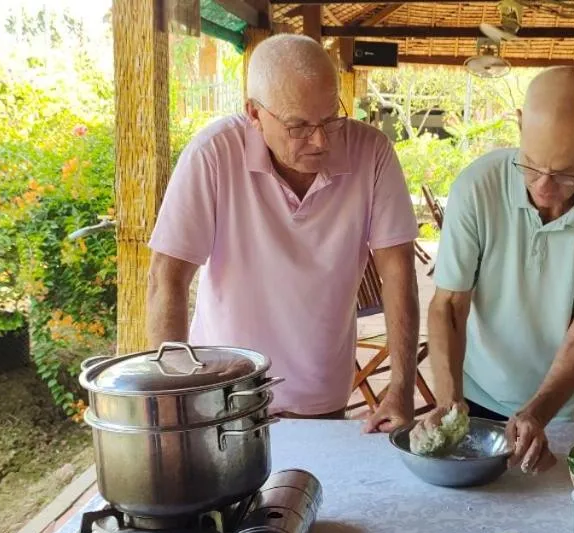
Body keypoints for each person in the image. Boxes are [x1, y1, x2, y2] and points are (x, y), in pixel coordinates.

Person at [146, 35, 421, 432]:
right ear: (254, 115)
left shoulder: (372, 153)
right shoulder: (214, 154)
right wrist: (174, 402)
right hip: (223, 395)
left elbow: (398, 274)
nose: (321, 140)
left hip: (321, 395)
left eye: (330, 118)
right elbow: (166, 279)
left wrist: (402, 386)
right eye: (298, 126)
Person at [421, 67, 574, 474]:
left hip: (565, 411)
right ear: (521, 124)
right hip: (476, 392)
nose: (543, 187)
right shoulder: (478, 186)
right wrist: (447, 399)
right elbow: (450, 304)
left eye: (564, 174)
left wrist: (538, 412)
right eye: (530, 164)